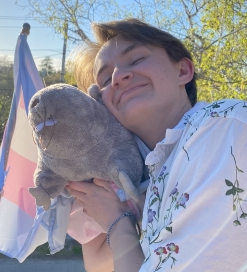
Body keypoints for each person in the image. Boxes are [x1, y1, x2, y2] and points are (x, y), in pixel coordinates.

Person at [65, 18, 247, 272]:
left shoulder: (221, 130)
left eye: (137, 59)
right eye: (105, 80)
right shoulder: (153, 175)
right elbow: (97, 264)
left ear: (183, 71)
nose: (118, 77)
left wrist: (117, 223)